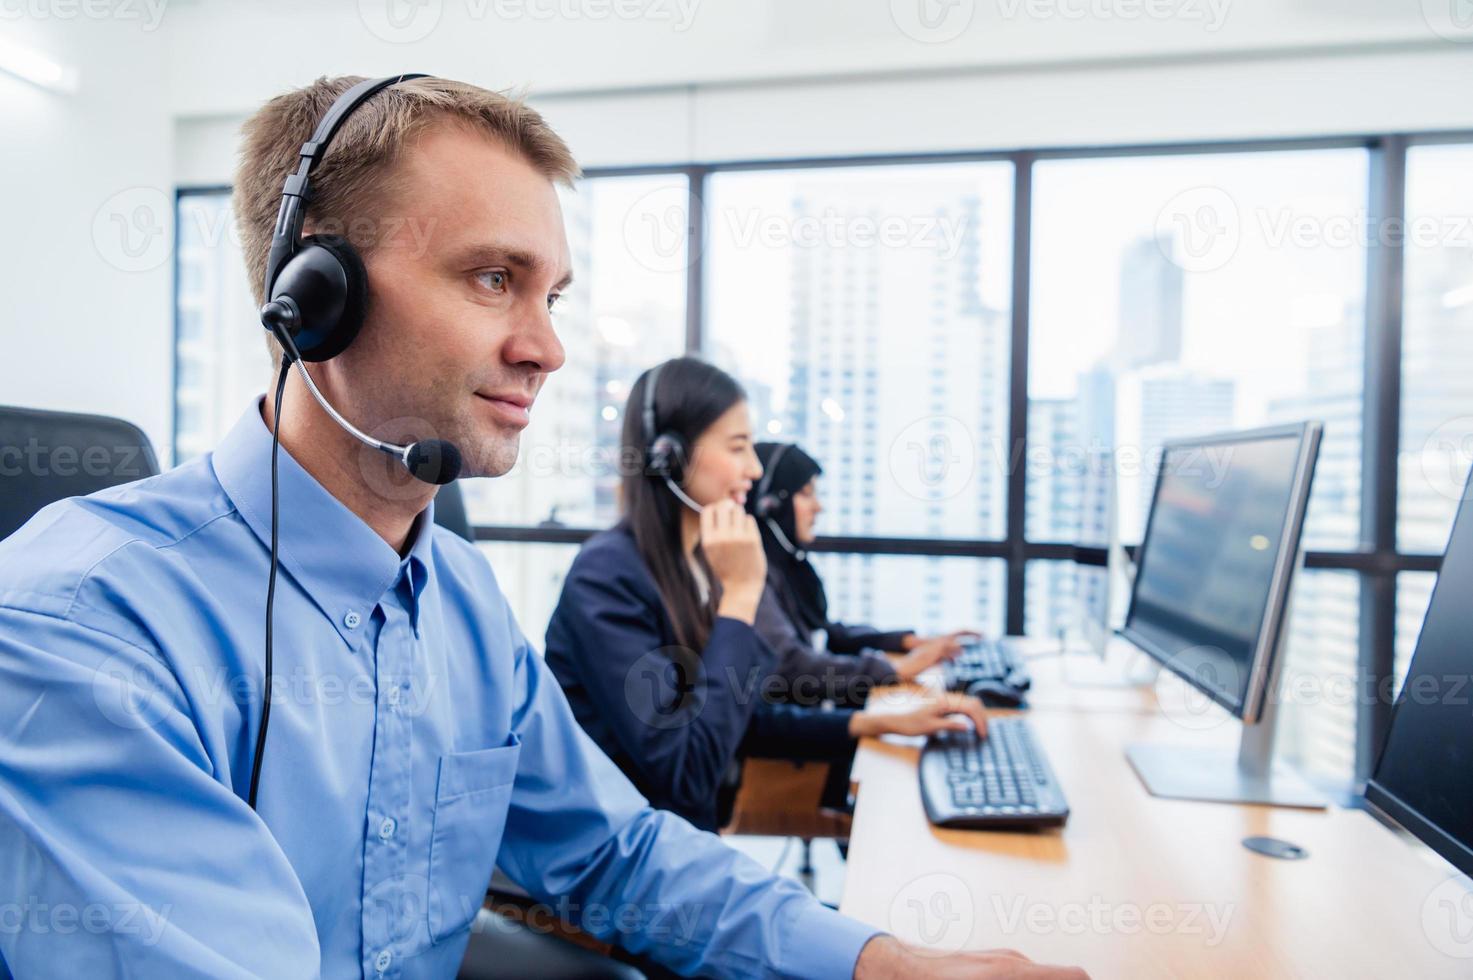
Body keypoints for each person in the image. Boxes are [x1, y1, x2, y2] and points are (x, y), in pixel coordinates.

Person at [0, 75, 1084, 980]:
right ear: (315, 295)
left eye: (551, 295)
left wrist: (886, 961)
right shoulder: (75, 626)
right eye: (492, 277)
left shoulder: (461, 599)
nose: (546, 349)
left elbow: (616, 851)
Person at [544, 357, 990, 832]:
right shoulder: (607, 577)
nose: (754, 469)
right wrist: (741, 593)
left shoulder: (696, 564)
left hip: (675, 844)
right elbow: (687, 771)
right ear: (669, 457)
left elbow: (737, 717)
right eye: (738, 447)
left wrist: (874, 723)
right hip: (615, 853)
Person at [750, 440, 979, 684]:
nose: (818, 507)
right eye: (806, 494)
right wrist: (894, 670)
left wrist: (908, 641)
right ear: (771, 505)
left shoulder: (789, 566)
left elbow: (826, 633)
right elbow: (791, 664)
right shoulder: (755, 573)